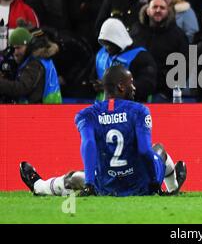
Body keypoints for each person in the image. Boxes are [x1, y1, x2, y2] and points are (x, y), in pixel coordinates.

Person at [19, 65, 187, 196]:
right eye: (131, 83)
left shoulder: (86, 115)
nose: (134, 88)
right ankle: (172, 189)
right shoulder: (139, 110)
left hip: (107, 185)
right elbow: (144, 150)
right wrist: (153, 183)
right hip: (140, 183)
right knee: (159, 149)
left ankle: (39, 186)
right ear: (121, 87)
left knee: (75, 177)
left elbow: (89, 144)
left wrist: (90, 184)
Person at [0, 26, 62, 103]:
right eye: (13, 48)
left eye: (18, 48)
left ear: (28, 45)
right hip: (44, 110)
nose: (15, 52)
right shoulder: (32, 59)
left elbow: (22, 88)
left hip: (43, 111)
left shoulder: (36, 62)